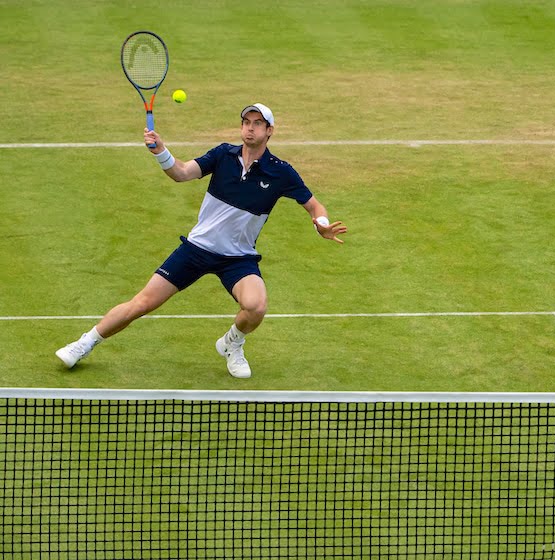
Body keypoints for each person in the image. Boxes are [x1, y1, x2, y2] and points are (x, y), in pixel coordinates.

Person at [55, 103, 347, 378]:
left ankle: (232, 343)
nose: (250, 128)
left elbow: (314, 206)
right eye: (246, 122)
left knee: (256, 306)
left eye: (258, 124)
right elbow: (181, 173)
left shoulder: (281, 171)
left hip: (238, 257)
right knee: (142, 302)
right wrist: (160, 151)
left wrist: (321, 225)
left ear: (270, 130)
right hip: (196, 250)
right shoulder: (222, 156)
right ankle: (84, 343)